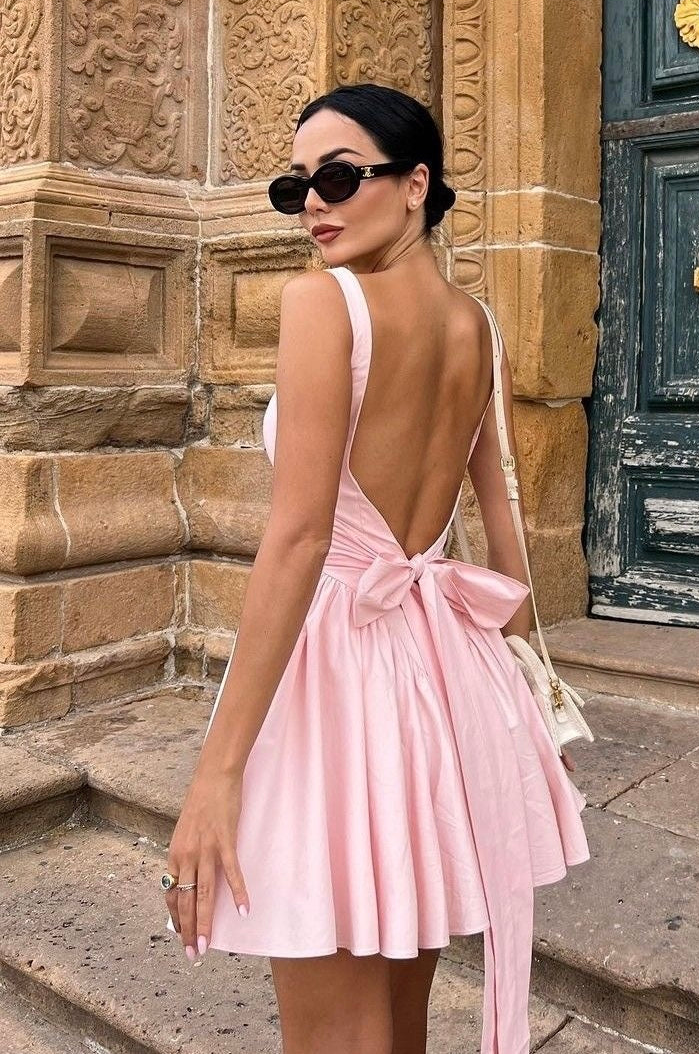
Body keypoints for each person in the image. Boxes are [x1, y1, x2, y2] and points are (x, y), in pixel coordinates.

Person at [161, 83, 590, 1054]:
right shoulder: (476, 324)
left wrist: (214, 777)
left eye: (341, 177)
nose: (314, 203)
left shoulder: (323, 305)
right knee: (397, 1025)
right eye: (297, 186)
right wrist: (531, 700)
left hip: (336, 685)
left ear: (415, 183)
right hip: (442, 680)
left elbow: (301, 539)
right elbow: (502, 519)